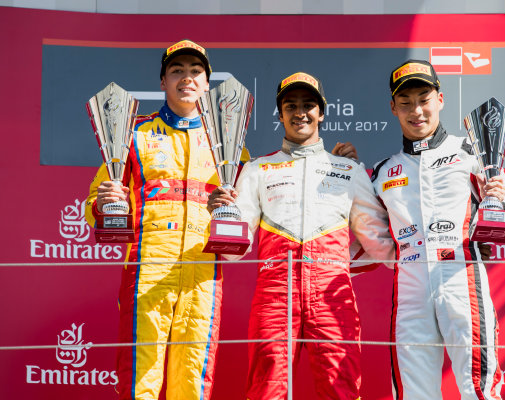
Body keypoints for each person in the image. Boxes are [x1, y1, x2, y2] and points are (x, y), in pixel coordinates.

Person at [207, 72, 395, 400]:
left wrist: (427, 253)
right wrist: (221, 215)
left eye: (309, 104)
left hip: (331, 295)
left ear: (322, 112)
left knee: (341, 388)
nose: (300, 112)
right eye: (290, 105)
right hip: (275, 292)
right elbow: (234, 251)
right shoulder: (257, 170)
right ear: (280, 115)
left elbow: (379, 244)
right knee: (267, 389)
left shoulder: (348, 169)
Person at [85, 39, 247, 400]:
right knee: (141, 375)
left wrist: (235, 209)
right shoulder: (133, 135)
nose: (186, 78)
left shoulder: (230, 144)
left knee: (193, 377)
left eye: (195, 71)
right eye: (176, 71)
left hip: (204, 272)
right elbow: (94, 201)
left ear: (207, 84)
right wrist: (105, 203)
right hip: (147, 268)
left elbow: (245, 218)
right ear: (163, 82)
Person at [369, 60, 505, 400]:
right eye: (406, 102)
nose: (416, 110)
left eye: (424, 98)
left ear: (440, 99)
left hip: (462, 276)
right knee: (414, 393)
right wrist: (403, 258)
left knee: (479, 388)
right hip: (409, 287)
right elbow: (373, 238)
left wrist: (496, 203)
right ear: (393, 108)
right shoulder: (382, 172)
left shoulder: (472, 153)